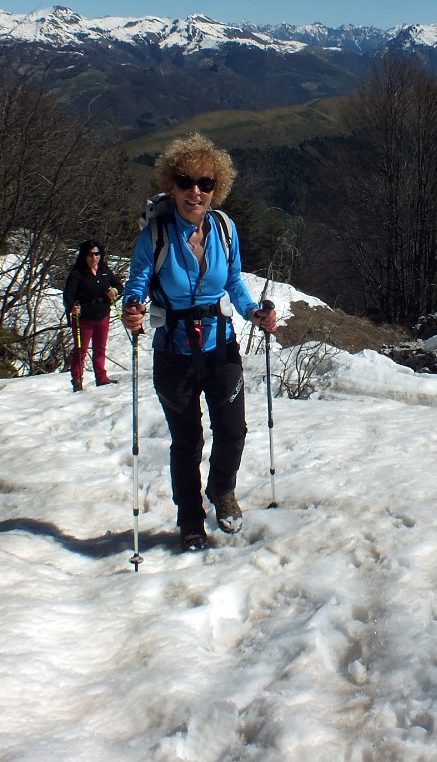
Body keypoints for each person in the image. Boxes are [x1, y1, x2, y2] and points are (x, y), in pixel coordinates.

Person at [121, 133, 278, 552]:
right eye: (186, 181)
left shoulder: (225, 229)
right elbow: (136, 284)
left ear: (216, 188)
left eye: (205, 183)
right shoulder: (154, 236)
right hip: (173, 351)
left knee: (233, 429)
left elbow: (233, 282)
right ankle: (190, 519)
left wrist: (253, 313)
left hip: (221, 346)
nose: (196, 191)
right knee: (187, 440)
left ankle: (221, 491)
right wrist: (132, 308)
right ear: (170, 185)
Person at [63, 240, 120, 391]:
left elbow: (119, 286)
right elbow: (68, 294)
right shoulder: (77, 273)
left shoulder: (104, 270)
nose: (94, 258)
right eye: (90, 254)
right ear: (84, 256)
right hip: (83, 317)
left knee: (100, 349)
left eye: (96, 254)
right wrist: (71, 307)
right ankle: (77, 380)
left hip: (102, 314)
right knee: (81, 350)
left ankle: (101, 378)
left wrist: (114, 291)